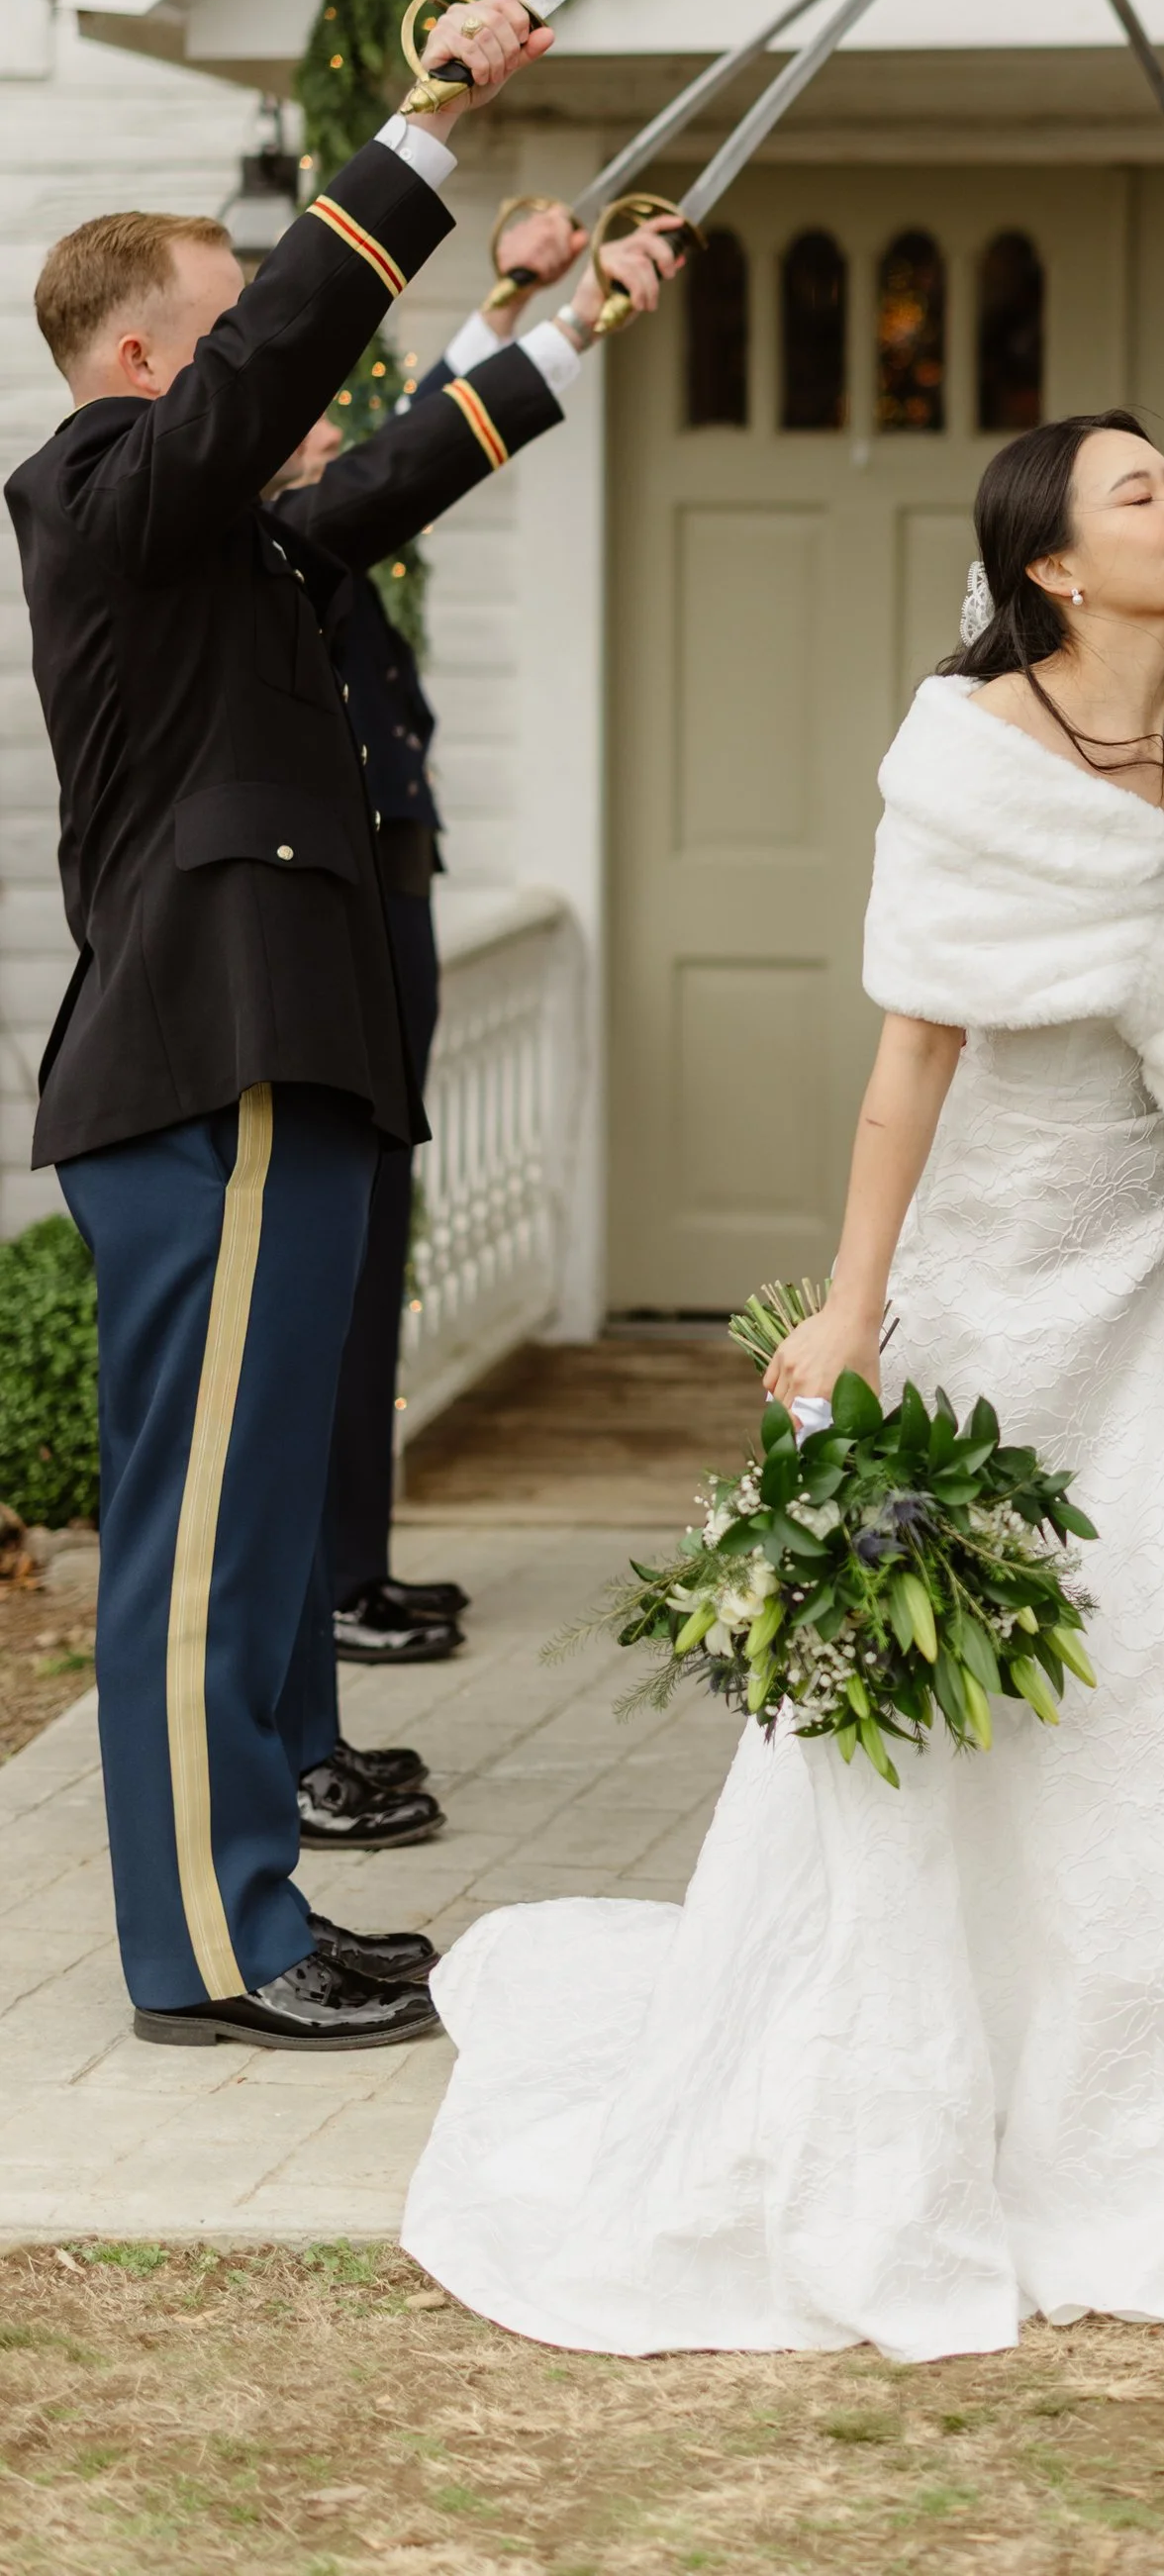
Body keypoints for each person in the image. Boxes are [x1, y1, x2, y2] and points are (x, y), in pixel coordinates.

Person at [404, 413, 1164, 2357]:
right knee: (957, 1720)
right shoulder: (964, 756)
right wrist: (856, 1306)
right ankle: (915, 2106)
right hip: (997, 1281)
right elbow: (910, 1065)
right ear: (1051, 561)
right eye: (1142, 490)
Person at [9, 0, 545, 2048]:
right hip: (204, 1062)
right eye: (218, 334)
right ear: (145, 364)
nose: (259, 373)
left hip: (289, 1057)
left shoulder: (225, 539)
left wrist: (550, 333)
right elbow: (287, 368)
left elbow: (387, 461)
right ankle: (210, 1956)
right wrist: (423, 119)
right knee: (191, 1540)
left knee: (253, 1545)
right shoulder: (98, 491)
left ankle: (265, 1902)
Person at [260, 204, 680, 1862]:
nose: (321, 424)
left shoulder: (302, 514)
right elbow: (401, 459)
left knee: (374, 1258)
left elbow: (410, 432)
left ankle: (346, 1577)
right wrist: (562, 321)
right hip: (332, 930)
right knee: (323, 1298)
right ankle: (322, 1617)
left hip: (383, 912)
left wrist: (518, 297)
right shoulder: (262, 540)